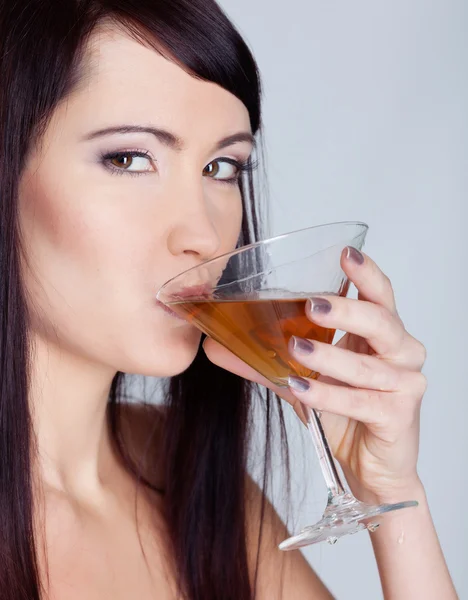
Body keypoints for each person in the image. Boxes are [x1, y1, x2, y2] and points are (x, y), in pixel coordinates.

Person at [0, 0, 457, 598]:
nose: (203, 234)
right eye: (130, 159)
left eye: (221, 167)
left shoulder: (182, 477)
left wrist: (391, 492)